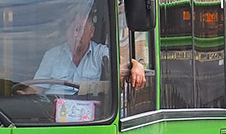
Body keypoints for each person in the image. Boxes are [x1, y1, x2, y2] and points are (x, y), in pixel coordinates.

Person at [17, 10, 145, 95]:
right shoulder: (52, 55)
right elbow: (37, 87)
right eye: (71, 30)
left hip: (89, 118)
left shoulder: (100, 53)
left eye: (79, 29)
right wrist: (25, 96)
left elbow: (121, 63)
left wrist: (136, 66)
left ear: (91, 32)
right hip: (52, 114)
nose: (75, 35)